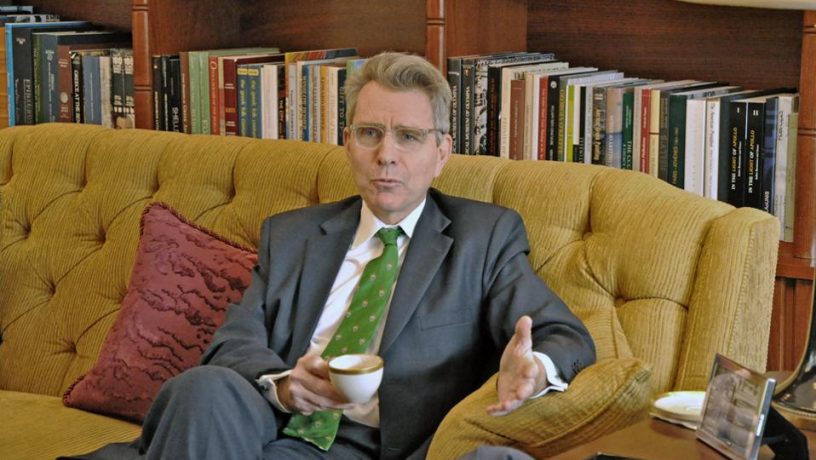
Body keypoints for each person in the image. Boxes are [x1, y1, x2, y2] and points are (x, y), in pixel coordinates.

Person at [75, 51, 595, 460]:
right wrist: (285, 387)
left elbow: (563, 335)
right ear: (347, 143)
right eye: (370, 133)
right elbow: (232, 344)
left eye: (408, 137)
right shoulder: (293, 235)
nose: (386, 155)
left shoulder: (484, 237)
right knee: (203, 388)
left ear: (441, 153)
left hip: (386, 448)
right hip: (267, 433)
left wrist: (535, 369)